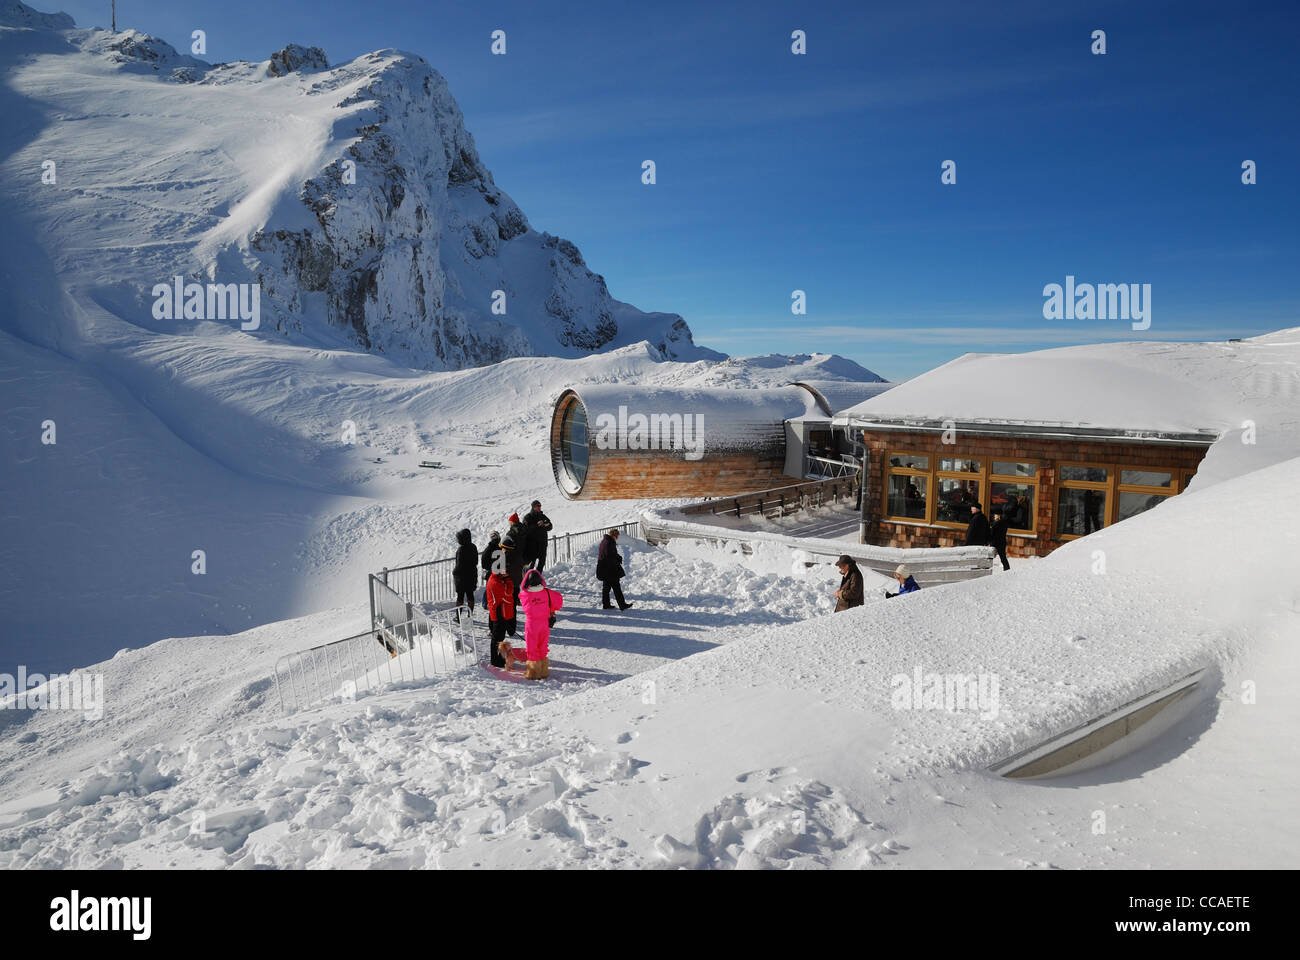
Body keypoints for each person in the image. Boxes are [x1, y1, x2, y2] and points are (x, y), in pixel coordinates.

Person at [503, 569, 563, 680]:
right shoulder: (548, 592)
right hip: (545, 624)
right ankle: (544, 671)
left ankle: (533, 673)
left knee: (532, 648)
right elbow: (559, 601)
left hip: (532, 625)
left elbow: (521, 596)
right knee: (542, 646)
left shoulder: (525, 595)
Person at [484, 567, 517, 667]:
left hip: (501, 613)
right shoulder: (495, 582)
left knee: (499, 638)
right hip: (499, 614)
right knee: (497, 639)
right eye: (504, 571)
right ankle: (495, 660)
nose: (506, 573)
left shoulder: (497, 579)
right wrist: (508, 580)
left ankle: (498, 658)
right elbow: (508, 594)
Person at [596, 528, 632, 610]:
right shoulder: (610, 542)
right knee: (616, 588)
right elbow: (609, 556)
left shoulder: (604, 541)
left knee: (606, 588)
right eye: (617, 536)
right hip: (610, 569)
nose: (617, 538)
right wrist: (617, 560)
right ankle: (622, 605)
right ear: (614, 535)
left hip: (604, 568)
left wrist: (617, 556)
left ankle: (606, 604)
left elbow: (610, 554)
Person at [452, 528, 477, 619]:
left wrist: (454, 572)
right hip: (472, 575)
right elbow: (476, 561)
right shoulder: (473, 547)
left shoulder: (461, 549)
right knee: (470, 595)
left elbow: (459, 565)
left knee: (460, 597)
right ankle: (470, 615)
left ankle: (458, 617)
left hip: (461, 578)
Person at [523, 500, 553, 572]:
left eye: (540, 506)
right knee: (531, 565)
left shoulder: (543, 516)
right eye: (538, 506)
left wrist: (546, 524)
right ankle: (528, 580)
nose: (539, 507)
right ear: (533, 507)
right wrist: (536, 525)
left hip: (542, 544)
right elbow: (525, 530)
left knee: (542, 563)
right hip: (532, 545)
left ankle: (537, 579)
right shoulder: (528, 517)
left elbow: (550, 526)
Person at [501, 534, 525, 605]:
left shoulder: (505, 557)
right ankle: (516, 600)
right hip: (517, 578)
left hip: (509, 580)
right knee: (516, 589)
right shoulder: (517, 554)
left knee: (510, 598)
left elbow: (503, 569)